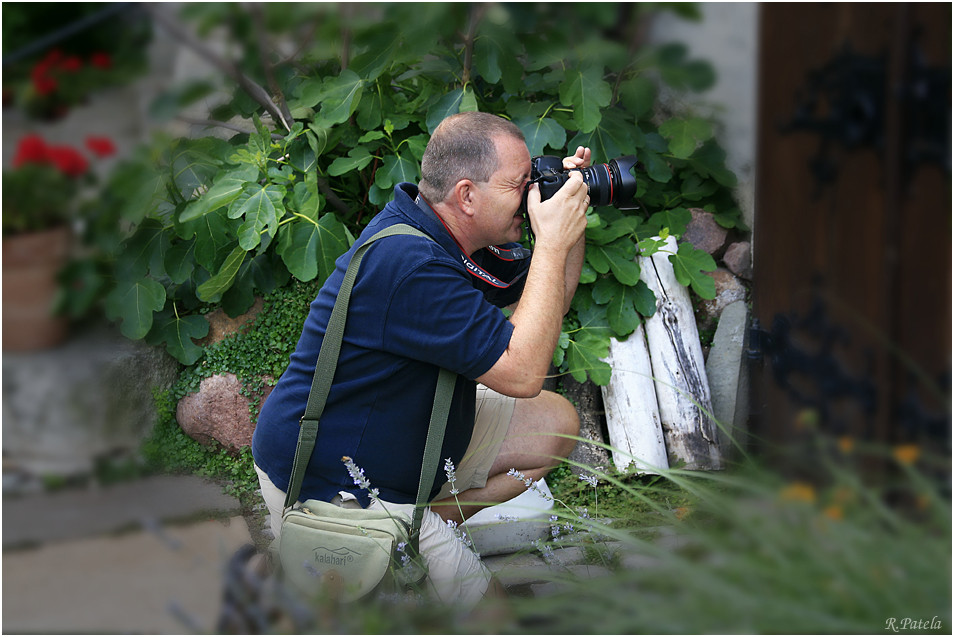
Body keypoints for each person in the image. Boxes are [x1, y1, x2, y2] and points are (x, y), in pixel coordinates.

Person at [251, 111, 591, 606]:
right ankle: (384, 538)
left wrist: (568, 222)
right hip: (334, 479)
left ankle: (417, 526)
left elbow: (549, 302)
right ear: (467, 196)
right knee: (492, 616)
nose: (529, 194)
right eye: (520, 184)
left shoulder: (437, 229)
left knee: (554, 425)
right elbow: (522, 373)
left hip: (404, 438)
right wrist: (552, 240)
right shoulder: (413, 268)